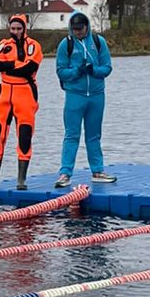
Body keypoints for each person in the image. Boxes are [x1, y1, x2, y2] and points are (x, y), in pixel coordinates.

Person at [0, 13, 44, 191]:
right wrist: (15, 64)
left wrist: (7, 66)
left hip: (25, 93)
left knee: (24, 135)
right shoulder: (3, 44)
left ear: (24, 29)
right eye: (13, 28)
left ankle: (21, 179)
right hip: (4, 93)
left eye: (19, 28)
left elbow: (29, 68)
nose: (15, 31)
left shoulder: (33, 46)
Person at [53, 10, 115, 188]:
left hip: (96, 95)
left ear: (87, 26)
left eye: (80, 28)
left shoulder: (98, 41)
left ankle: (97, 171)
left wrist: (93, 70)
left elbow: (107, 67)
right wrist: (77, 71)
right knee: (71, 135)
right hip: (75, 96)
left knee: (94, 135)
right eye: (74, 29)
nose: (77, 31)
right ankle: (65, 173)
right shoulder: (66, 45)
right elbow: (61, 71)